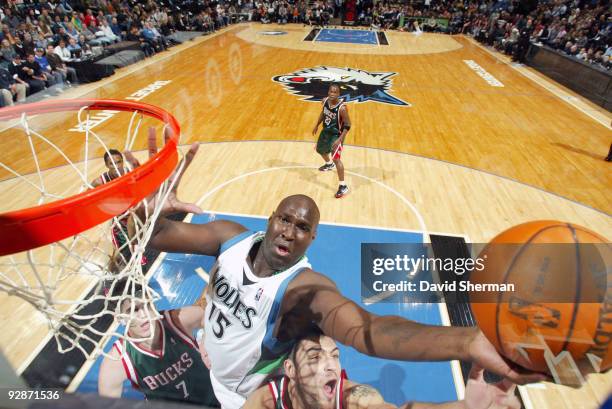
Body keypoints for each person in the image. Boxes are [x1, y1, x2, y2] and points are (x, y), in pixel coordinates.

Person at [136, 128, 546, 409]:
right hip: (209, 363)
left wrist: (467, 343)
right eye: (285, 220)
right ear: (270, 218)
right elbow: (153, 237)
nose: (290, 232)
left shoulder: (306, 288)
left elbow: (368, 331)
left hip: (250, 395)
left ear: (311, 239)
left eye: (303, 228)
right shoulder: (229, 237)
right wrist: (148, 207)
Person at [244, 328, 521, 409]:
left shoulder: (355, 399)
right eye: (315, 357)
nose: (330, 365)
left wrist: (465, 408)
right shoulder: (267, 400)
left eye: (335, 356)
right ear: (291, 370)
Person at [98, 280, 220, 407]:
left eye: (146, 305)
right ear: (120, 318)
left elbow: (213, 314)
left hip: (216, 402)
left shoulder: (177, 321)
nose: (143, 315)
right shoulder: (117, 361)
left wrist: (207, 335)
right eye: (133, 310)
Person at [312, 83, 351, 198]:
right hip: (326, 132)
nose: (332, 94)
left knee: (336, 159)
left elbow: (348, 125)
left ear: (339, 94)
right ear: (328, 92)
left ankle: (343, 186)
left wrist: (340, 140)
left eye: (335, 92)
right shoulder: (325, 101)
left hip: (336, 135)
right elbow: (323, 113)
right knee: (320, 150)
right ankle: (329, 164)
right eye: (331, 91)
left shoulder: (342, 108)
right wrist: (317, 124)